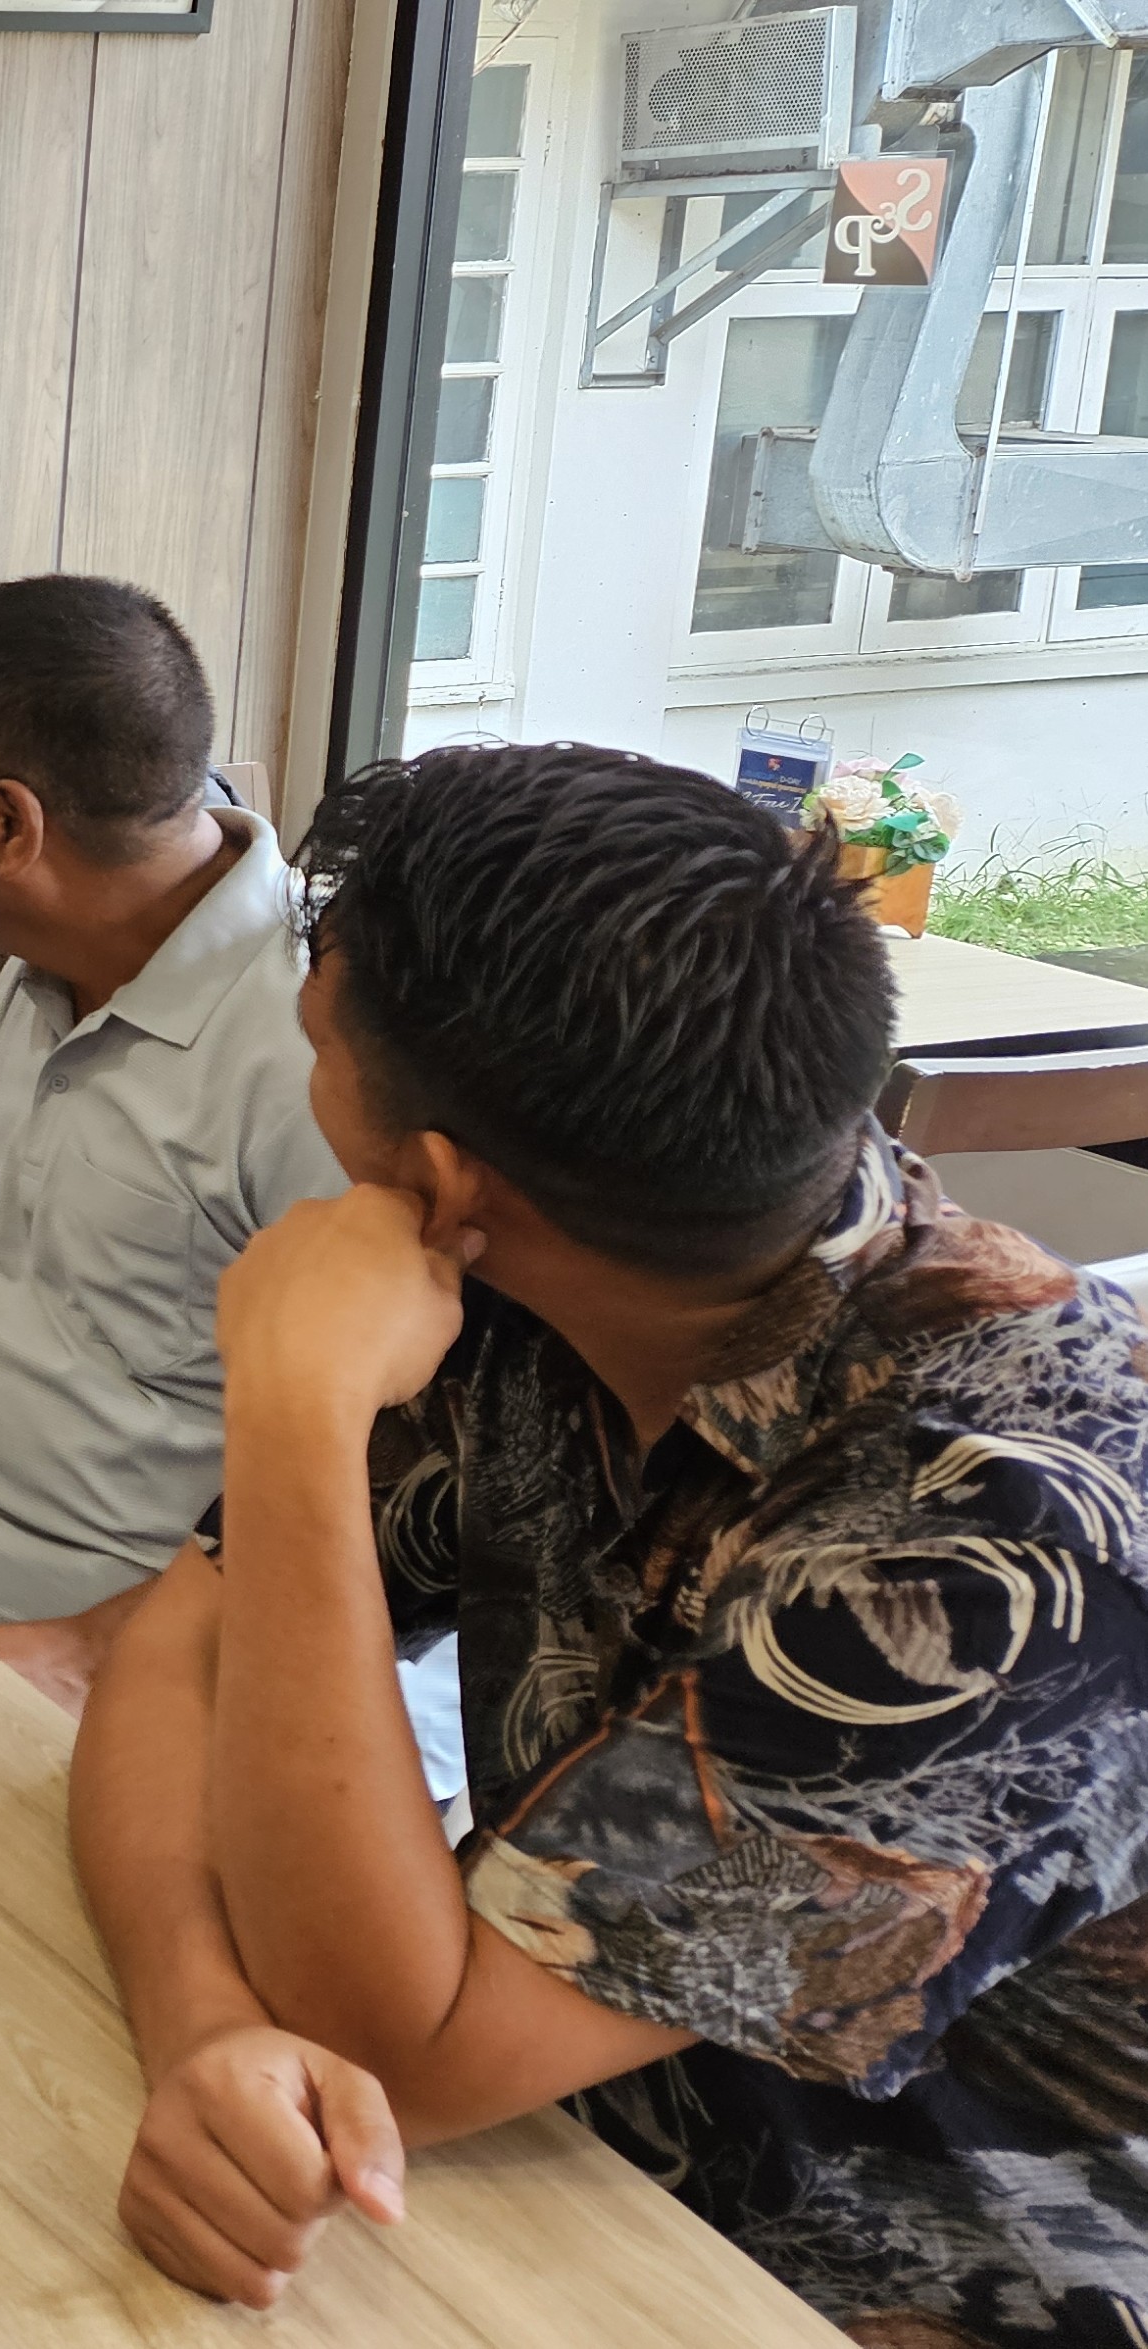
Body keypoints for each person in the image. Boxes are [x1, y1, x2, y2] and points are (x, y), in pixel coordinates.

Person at [70, 741, 1148, 2346]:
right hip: (527, 2187)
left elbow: (402, 2040)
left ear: (441, 1178)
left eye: (311, 1046)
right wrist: (202, 2023)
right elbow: (179, 1646)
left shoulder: (994, 1549)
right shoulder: (579, 1257)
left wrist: (287, 1408)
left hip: (833, 2295)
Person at [0, 577, 458, 1783]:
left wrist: (92, 1652)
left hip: (172, 1655)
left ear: (9, 827)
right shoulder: (38, 968)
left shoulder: (318, 1061)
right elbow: (23, 1258)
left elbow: (393, 1487)